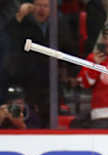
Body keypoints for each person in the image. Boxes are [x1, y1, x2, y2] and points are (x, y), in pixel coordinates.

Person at [5, 0, 78, 128]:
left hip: (51, 81)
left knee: (50, 118)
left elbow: (69, 50)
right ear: (32, 7)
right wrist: (19, 17)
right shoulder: (24, 23)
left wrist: (73, 73)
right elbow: (10, 42)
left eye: (45, 6)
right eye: (38, 5)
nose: (41, 9)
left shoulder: (58, 24)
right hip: (26, 80)